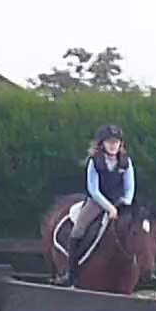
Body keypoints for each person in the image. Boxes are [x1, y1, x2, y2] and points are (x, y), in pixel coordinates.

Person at [56, 123, 135, 286]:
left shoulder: (126, 162)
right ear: (102, 144)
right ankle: (71, 274)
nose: (113, 145)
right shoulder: (95, 162)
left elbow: (130, 187)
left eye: (116, 142)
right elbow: (94, 189)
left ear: (120, 144)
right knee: (77, 231)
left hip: (120, 203)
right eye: (109, 142)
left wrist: (125, 203)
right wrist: (109, 207)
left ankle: (142, 271)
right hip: (97, 202)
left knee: (137, 230)